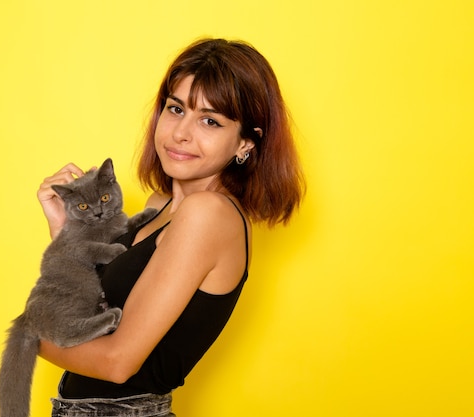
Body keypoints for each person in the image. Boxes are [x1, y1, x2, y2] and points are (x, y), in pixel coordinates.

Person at [35, 38, 305, 417]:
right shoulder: (158, 207)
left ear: (245, 143)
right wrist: (66, 230)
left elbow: (117, 362)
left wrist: (27, 338)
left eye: (210, 120)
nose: (181, 133)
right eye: (176, 109)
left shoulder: (208, 214)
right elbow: (96, 315)